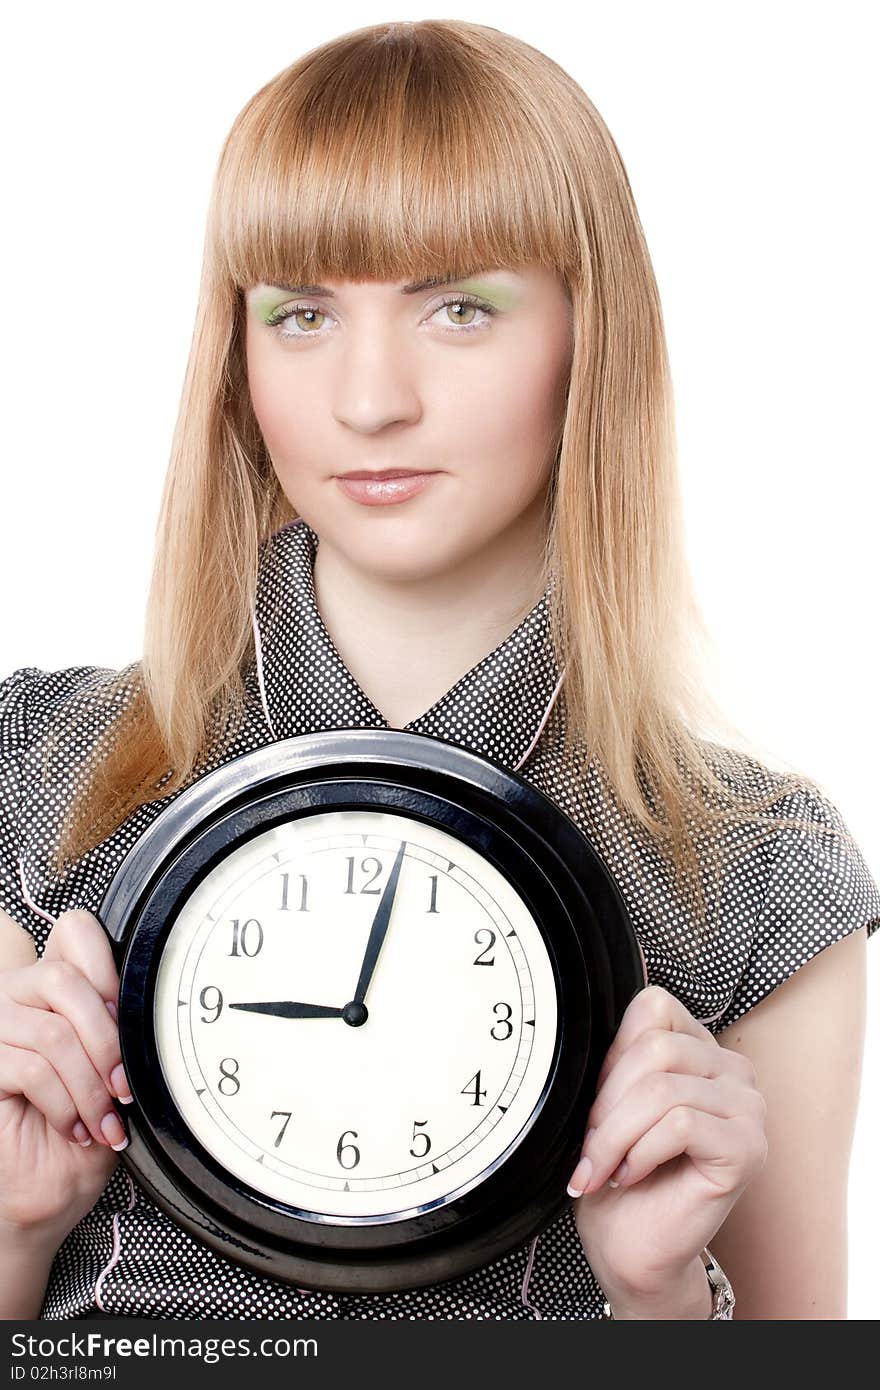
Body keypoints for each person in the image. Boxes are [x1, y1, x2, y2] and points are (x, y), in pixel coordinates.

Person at [1, 18, 878, 1322]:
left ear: (592, 334)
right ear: (237, 363)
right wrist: (17, 1232)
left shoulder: (757, 867)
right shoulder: (40, 770)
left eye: (458, 307)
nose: (369, 398)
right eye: (302, 313)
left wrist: (661, 1298)